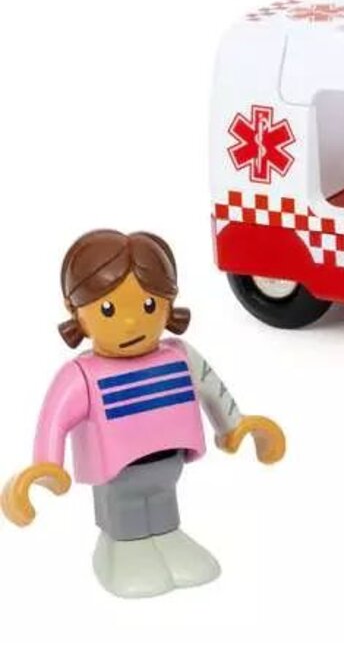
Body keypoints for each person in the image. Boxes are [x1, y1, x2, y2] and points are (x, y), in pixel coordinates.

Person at [1, 230, 286, 598]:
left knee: (163, 502)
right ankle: (123, 549)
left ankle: (168, 538)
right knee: (127, 510)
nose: (131, 323)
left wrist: (236, 425)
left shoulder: (180, 355)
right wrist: (45, 467)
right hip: (118, 475)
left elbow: (214, 390)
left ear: (169, 303)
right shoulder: (81, 376)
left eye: (149, 305)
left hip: (169, 462)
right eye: (109, 310)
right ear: (77, 314)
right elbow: (52, 424)